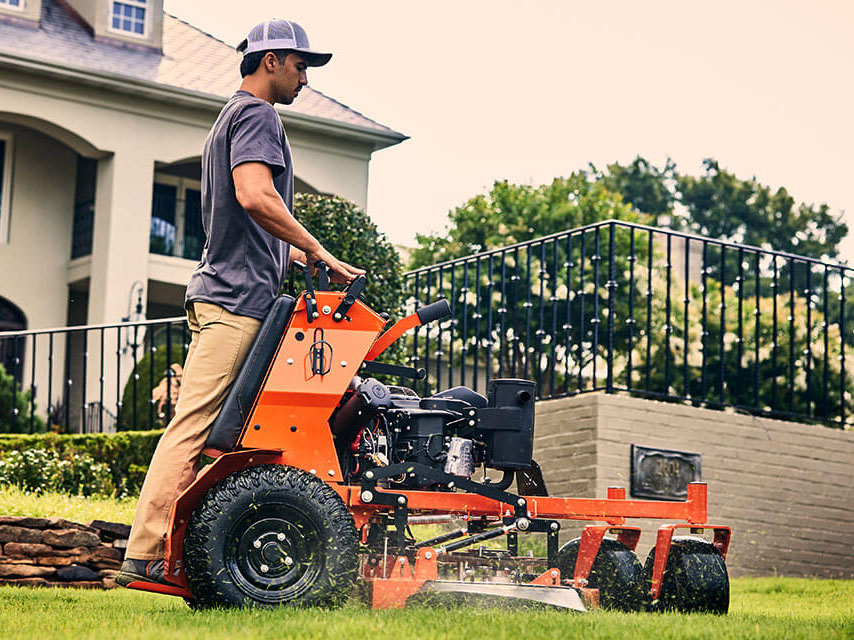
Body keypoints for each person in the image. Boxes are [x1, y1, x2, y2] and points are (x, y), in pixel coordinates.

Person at [117, 19, 363, 587]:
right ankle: (148, 551)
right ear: (271, 60)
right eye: (301, 66)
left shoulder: (231, 117)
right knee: (194, 425)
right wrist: (316, 244)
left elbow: (244, 220)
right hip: (234, 302)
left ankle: (185, 543)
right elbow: (255, 196)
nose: (305, 78)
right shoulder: (257, 115)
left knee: (225, 428)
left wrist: (303, 260)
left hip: (230, 292)